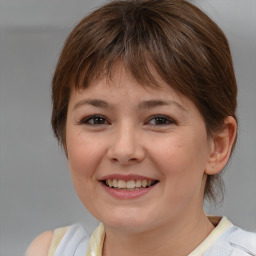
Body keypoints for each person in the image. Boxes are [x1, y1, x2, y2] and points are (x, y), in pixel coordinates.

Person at [26, 0, 256, 255]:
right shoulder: (49, 250)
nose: (124, 150)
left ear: (217, 145)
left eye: (159, 120)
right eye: (96, 119)